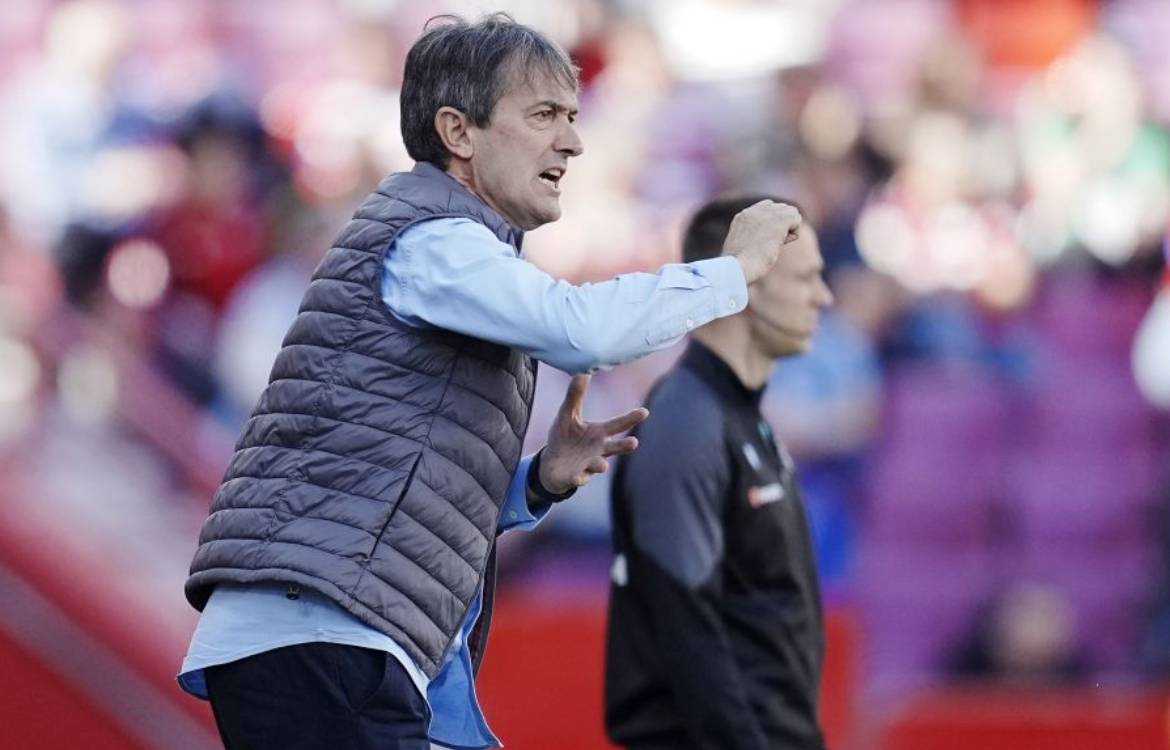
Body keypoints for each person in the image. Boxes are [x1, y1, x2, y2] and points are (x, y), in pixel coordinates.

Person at [178, 14, 803, 750]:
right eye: (543, 116)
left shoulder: (452, 253)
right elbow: (584, 330)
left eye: (573, 117)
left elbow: (391, 475)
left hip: (328, 632)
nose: (571, 142)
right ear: (459, 132)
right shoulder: (434, 241)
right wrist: (730, 273)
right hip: (322, 631)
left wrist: (537, 482)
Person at [605, 195, 834, 750]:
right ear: (750, 281)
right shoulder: (687, 424)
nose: (823, 297)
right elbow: (688, 631)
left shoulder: (741, 419)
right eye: (807, 278)